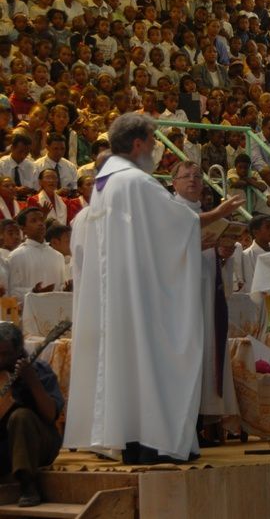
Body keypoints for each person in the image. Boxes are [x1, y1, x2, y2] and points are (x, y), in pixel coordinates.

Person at [64, 113, 204, 464]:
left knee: (126, 365)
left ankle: (131, 438)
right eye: (154, 143)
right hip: (141, 295)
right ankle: (155, 439)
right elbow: (175, 226)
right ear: (138, 144)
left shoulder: (105, 183)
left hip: (120, 294)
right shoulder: (136, 182)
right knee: (148, 359)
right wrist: (215, 215)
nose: (155, 151)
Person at [171, 161, 244, 444]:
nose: (193, 180)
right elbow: (164, 254)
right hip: (180, 300)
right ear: (173, 182)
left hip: (205, 297)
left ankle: (200, 423)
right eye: (186, 175)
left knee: (205, 356)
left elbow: (212, 263)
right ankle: (184, 425)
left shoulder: (205, 214)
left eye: (198, 176)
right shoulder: (172, 210)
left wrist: (223, 254)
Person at [0, 322, 63, 507]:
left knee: (21, 417)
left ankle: (28, 485)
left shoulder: (39, 370)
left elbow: (51, 415)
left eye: (6, 354)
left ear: (19, 351)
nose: (0, 359)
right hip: (5, 448)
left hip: (38, 445)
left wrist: (31, 380)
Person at [7, 207, 66, 303]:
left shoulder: (58, 256)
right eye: (34, 221)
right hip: (29, 314)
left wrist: (65, 288)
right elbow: (12, 290)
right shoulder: (16, 256)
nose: (40, 223)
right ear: (23, 229)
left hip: (55, 311)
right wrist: (33, 291)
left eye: (42, 220)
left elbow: (60, 286)